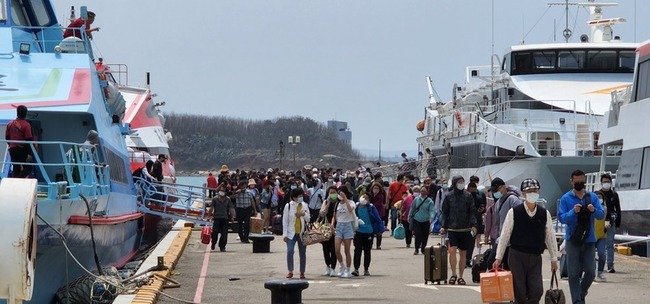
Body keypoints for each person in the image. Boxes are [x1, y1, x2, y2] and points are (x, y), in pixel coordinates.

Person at [492, 178, 559, 304]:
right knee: (519, 291)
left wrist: (554, 258)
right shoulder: (514, 212)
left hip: (535, 256)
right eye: (529, 191)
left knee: (537, 290)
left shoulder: (544, 213)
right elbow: (505, 235)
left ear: (539, 191)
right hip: (516, 255)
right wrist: (499, 257)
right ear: (523, 193)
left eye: (535, 190)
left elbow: (550, 236)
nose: (532, 193)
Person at [558, 169, 604, 304]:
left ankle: (581, 293)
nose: (579, 183)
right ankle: (577, 301)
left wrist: (593, 210)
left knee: (590, 272)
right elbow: (561, 218)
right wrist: (573, 212)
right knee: (573, 273)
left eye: (581, 181)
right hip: (573, 240)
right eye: (576, 181)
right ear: (571, 182)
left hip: (589, 239)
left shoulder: (592, 197)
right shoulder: (566, 198)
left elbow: (601, 215)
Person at [439, 175, 477, 285]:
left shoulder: (468, 196)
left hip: (465, 228)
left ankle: (461, 276)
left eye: (463, 181)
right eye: (459, 182)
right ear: (455, 183)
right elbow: (444, 213)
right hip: (452, 228)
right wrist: (443, 226)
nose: (462, 183)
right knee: (452, 250)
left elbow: (472, 212)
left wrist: (474, 225)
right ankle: (453, 274)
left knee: (463, 253)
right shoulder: (449, 196)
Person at [485, 177, 522, 271]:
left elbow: (519, 218)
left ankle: (510, 285)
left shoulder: (513, 200)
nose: (495, 193)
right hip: (500, 240)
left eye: (496, 190)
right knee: (492, 263)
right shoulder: (498, 202)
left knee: (506, 265)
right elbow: (497, 223)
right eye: (493, 191)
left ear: (503, 187)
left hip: (511, 241)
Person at [352, 193, 384, 276]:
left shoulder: (371, 208)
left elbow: (377, 218)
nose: (364, 198)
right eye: (363, 197)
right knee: (357, 250)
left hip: (369, 232)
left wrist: (380, 229)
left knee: (367, 251)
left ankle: (366, 269)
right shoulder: (355, 207)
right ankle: (356, 269)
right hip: (358, 231)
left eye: (366, 198)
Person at [282, 187, 310, 279]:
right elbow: (285, 221)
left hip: (302, 233)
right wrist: (285, 234)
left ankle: (302, 272)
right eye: (299, 196)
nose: (301, 197)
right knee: (290, 251)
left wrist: (303, 214)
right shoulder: (288, 206)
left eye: (302, 195)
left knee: (302, 253)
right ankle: (290, 271)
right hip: (291, 233)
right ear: (294, 197)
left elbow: (308, 219)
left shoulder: (304, 205)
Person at [598, 173, 620, 273]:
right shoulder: (597, 194)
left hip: (611, 222)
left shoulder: (614, 195)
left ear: (610, 183)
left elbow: (618, 209)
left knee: (610, 244)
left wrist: (618, 223)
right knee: (597, 244)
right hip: (599, 223)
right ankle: (598, 265)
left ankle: (610, 265)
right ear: (601, 183)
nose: (606, 183)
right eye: (604, 182)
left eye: (608, 182)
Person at [332, 186, 356, 278]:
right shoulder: (337, 204)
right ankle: (342, 266)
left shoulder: (351, 202)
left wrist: (345, 198)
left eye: (341, 193)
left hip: (348, 226)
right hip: (339, 226)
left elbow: (350, 209)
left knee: (347, 250)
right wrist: (332, 224)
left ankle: (348, 269)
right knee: (337, 249)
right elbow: (335, 215)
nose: (340, 195)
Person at [5, 105, 33, 178]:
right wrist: (29, 154)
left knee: (16, 167)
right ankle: (18, 178)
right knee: (28, 168)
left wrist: (11, 145)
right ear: (25, 114)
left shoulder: (10, 124)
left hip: (12, 149)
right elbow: (28, 140)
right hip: (21, 149)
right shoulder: (26, 125)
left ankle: (15, 180)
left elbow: (7, 137)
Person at [319, 186, 339, 277]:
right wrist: (328, 204)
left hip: (335, 228)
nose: (332, 194)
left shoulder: (339, 203)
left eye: (334, 192)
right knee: (325, 248)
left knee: (333, 249)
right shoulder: (326, 202)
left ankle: (333, 268)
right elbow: (322, 214)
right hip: (325, 227)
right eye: (331, 192)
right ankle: (328, 265)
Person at [409, 186, 435, 255]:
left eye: (424, 191)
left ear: (427, 192)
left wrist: (431, 218)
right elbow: (412, 208)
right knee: (418, 234)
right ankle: (416, 248)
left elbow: (432, 210)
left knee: (425, 235)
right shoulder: (416, 199)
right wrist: (409, 216)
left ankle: (423, 249)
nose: (423, 192)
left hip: (426, 220)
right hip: (417, 219)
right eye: (422, 191)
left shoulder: (429, 201)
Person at [466, 182, 486, 267]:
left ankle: (467, 259)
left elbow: (483, 208)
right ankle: (465, 259)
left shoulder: (478, 197)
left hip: (474, 223)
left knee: (471, 241)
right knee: (466, 242)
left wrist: (478, 211)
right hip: (465, 223)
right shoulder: (464, 197)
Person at [210, 185, 235, 252]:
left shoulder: (228, 199)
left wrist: (232, 217)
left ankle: (222, 246)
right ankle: (213, 243)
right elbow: (211, 208)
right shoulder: (215, 199)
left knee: (224, 234)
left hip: (225, 218)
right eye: (221, 191)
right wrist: (209, 216)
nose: (222, 192)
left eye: (223, 191)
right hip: (217, 218)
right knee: (215, 233)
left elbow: (230, 208)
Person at [594, 191, 608, 281]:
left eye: (600, 197)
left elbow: (608, 218)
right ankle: (590, 272)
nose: (599, 198)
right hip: (591, 235)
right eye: (597, 197)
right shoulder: (590, 208)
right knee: (590, 255)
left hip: (602, 235)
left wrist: (608, 223)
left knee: (602, 254)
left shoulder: (605, 209)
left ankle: (600, 272)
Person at [368, 182, 387, 249]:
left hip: (379, 214)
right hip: (371, 215)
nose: (375, 190)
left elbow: (376, 205)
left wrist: (370, 206)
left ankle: (378, 245)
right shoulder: (370, 195)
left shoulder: (380, 196)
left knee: (379, 230)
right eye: (374, 188)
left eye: (377, 188)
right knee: (372, 230)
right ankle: (370, 244)